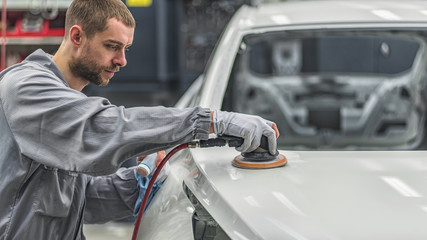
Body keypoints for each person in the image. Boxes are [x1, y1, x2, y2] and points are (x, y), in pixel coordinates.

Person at [0, 0, 279, 239]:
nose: (121, 60)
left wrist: (139, 183)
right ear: (77, 37)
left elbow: (83, 200)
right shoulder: (25, 87)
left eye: (126, 48)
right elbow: (102, 128)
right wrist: (211, 121)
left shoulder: (65, 101)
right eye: (112, 46)